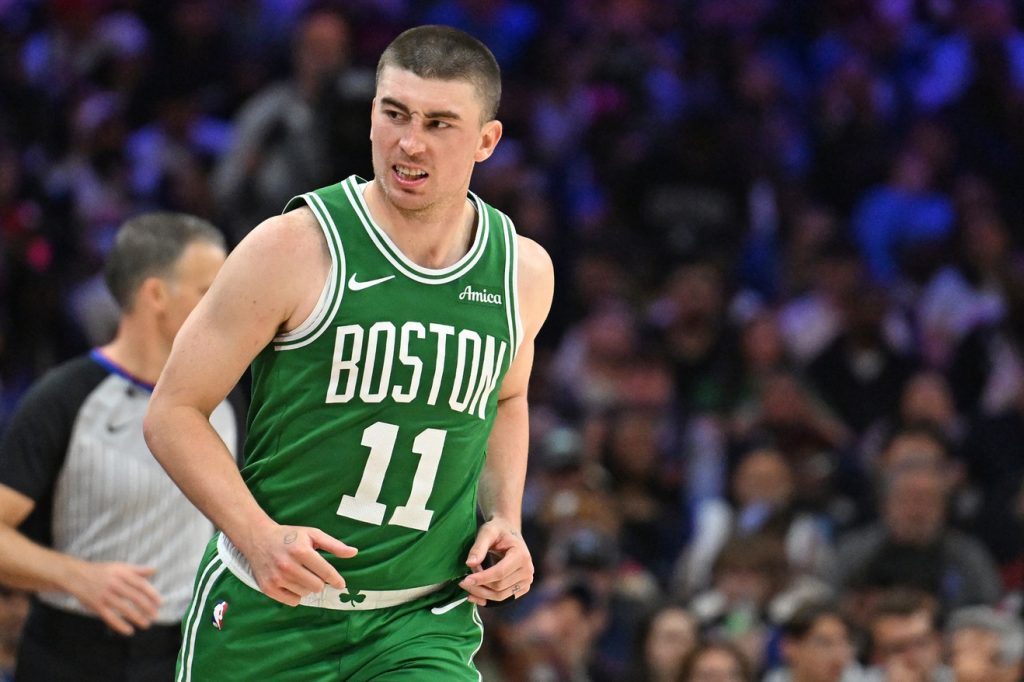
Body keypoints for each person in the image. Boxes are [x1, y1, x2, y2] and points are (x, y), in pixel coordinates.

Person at [144, 24, 554, 680]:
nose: (409, 143)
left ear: (486, 140)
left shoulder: (521, 271)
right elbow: (172, 412)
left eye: (440, 123)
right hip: (272, 611)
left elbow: (506, 397)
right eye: (394, 114)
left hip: (418, 622)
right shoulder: (293, 247)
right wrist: (256, 536)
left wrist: (504, 518)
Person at [0, 212, 240, 681]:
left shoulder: (228, 400)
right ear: (155, 295)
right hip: (73, 653)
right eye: (209, 293)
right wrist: (76, 576)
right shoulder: (64, 398)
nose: (227, 308)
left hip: (186, 651)